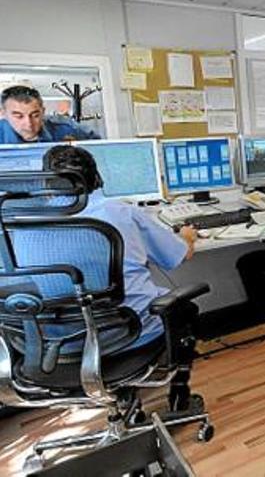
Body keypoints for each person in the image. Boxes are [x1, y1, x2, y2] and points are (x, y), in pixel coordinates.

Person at [40, 145, 196, 351]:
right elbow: (179, 255)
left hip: (61, 342)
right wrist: (186, 237)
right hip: (130, 331)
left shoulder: (22, 224)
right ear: (96, 178)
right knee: (186, 307)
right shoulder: (120, 212)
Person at [0, 85, 100, 144]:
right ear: (3, 114)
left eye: (35, 115)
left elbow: (98, 146)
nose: (28, 124)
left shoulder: (66, 128)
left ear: (43, 111)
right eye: (19, 116)